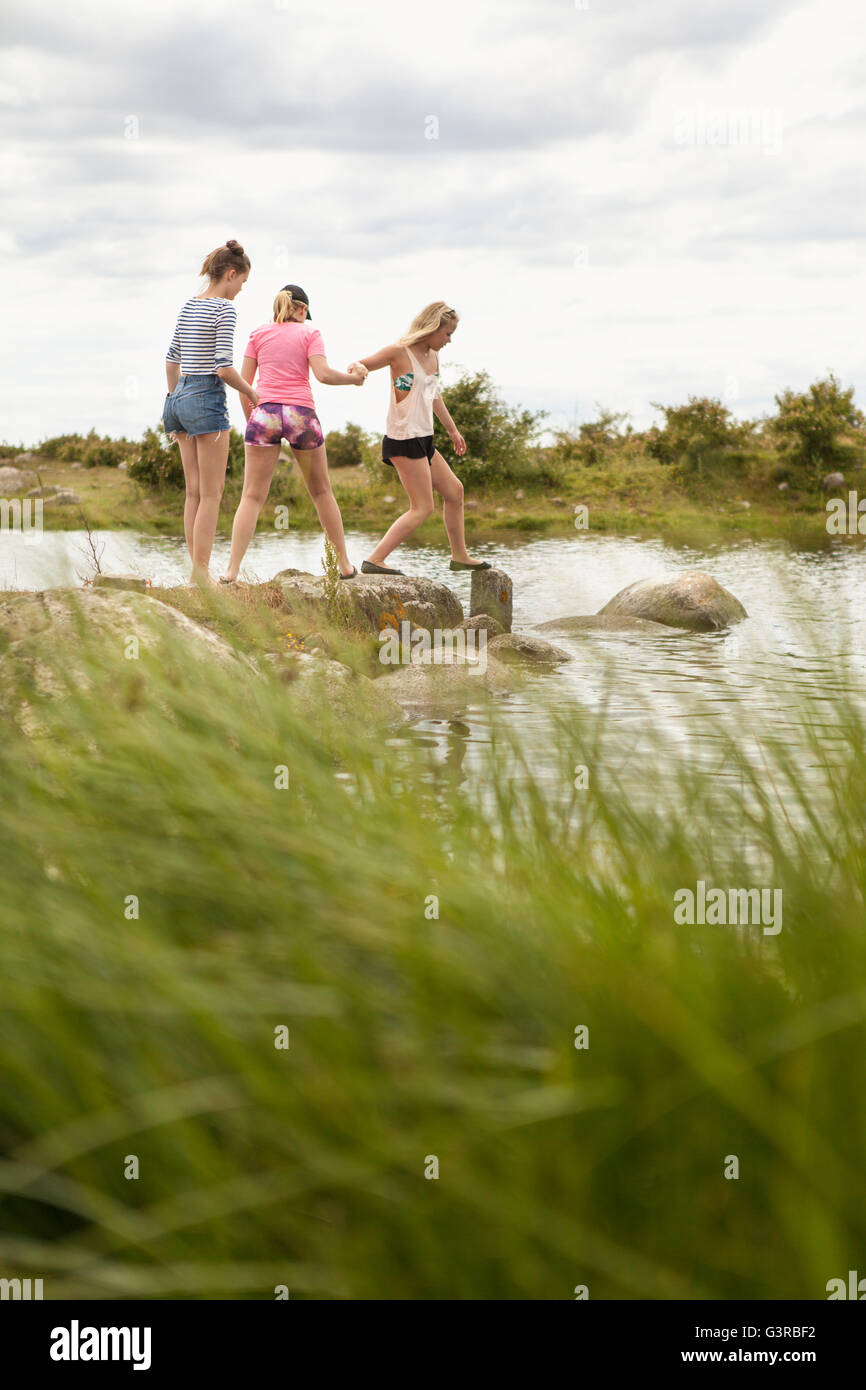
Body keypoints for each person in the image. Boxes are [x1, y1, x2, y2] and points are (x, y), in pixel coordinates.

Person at [222, 284, 367, 583]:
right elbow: (324, 375)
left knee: (251, 496)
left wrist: (254, 421)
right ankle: (344, 565)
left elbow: (245, 385)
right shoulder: (309, 333)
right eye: (306, 313)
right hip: (300, 413)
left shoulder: (258, 334)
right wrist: (354, 380)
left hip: (265, 413)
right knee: (321, 491)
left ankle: (231, 572)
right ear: (301, 310)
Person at [348, 301, 489, 575]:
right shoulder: (398, 352)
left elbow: (433, 395)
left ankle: (459, 555)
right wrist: (358, 371)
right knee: (422, 508)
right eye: (447, 333)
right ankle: (375, 560)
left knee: (455, 491)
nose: (449, 340)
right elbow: (359, 364)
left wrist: (452, 429)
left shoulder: (432, 357)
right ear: (433, 327)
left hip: (424, 438)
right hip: (403, 439)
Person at [163, 239, 258, 582]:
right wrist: (252, 393)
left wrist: (176, 398)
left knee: (193, 492)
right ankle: (201, 576)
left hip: (178, 396)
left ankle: (196, 573)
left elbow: (172, 359)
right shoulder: (224, 309)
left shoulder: (189, 305)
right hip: (206, 396)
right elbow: (223, 368)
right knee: (212, 494)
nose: (240, 291)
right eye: (242, 283)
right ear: (231, 274)